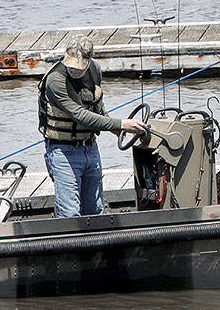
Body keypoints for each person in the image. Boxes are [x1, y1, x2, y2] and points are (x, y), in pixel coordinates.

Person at [38, 41, 147, 218]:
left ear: (89, 61)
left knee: (95, 211)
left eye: (79, 67)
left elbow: (96, 107)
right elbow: (80, 115)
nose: (74, 70)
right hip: (63, 152)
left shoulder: (94, 70)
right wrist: (121, 124)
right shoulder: (55, 80)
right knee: (70, 214)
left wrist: (114, 128)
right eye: (71, 66)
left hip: (90, 149)